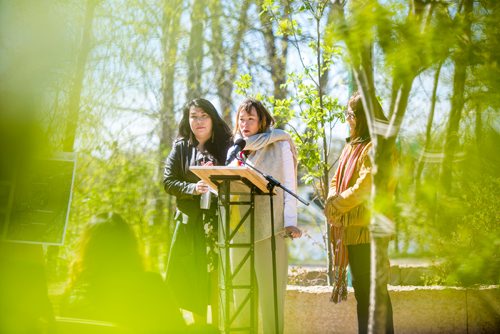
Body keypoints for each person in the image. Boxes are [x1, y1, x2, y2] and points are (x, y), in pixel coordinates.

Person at [324, 91, 394, 334]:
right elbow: (335, 180)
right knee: (363, 295)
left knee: (375, 296)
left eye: (351, 115)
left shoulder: (378, 147)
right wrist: (334, 197)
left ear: (365, 117)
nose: (347, 119)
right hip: (352, 230)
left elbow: (365, 188)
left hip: (369, 231)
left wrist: (335, 205)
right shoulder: (352, 145)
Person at [231, 98, 301, 334]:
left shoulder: (279, 143)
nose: (245, 124)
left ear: (262, 121)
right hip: (239, 228)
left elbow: (289, 184)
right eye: (241, 119)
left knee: (271, 295)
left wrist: (290, 222)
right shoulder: (237, 148)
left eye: (250, 119)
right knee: (242, 294)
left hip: (272, 227)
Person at [163, 98, 233, 327]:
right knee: (194, 277)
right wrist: (192, 188)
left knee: (218, 276)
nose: (199, 121)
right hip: (191, 223)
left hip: (221, 221)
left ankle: (220, 326)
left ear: (213, 119)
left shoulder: (227, 146)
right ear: (188, 120)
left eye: (204, 116)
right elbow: (168, 181)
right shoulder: (181, 147)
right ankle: (200, 327)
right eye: (194, 116)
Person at [59, 212, 186, 333]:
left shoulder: (73, 293)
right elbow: (179, 330)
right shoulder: (151, 286)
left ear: (88, 249)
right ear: (130, 246)